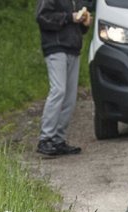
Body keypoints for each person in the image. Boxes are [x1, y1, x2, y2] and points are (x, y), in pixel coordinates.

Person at [35, 0, 91, 156]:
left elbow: (78, 27)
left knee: (70, 97)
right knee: (58, 90)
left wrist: (84, 23)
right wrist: (69, 17)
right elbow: (42, 17)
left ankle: (58, 139)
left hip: (73, 48)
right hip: (55, 47)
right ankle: (45, 138)